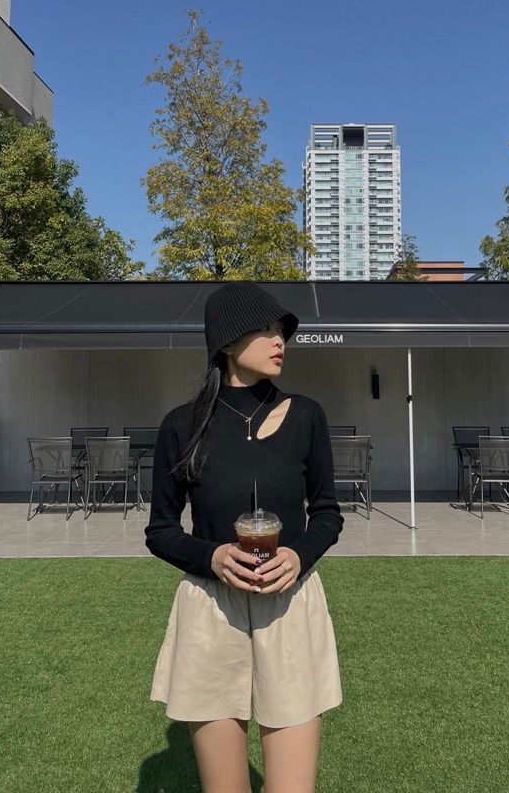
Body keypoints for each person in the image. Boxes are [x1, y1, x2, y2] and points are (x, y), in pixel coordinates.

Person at [145, 280, 344, 793]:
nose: (280, 340)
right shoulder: (181, 426)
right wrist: (211, 557)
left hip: (291, 606)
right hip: (211, 611)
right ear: (228, 342)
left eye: (282, 331)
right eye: (266, 329)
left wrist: (299, 555)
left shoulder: (307, 416)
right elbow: (160, 530)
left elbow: (327, 514)